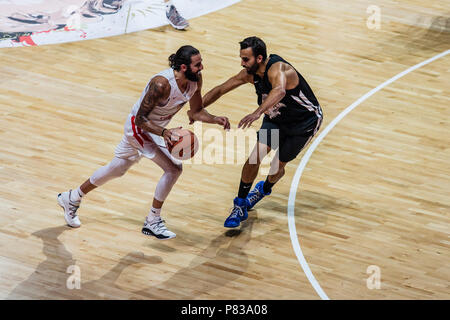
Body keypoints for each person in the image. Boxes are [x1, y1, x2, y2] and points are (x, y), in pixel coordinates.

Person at [58, 45, 230, 239]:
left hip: (156, 130)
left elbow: (196, 111)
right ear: (183, 67)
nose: (202, 68)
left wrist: (215, 119)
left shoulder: (195, 80)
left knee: (118, 168)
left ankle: (72, 197)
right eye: (197, 65)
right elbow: (141, 119)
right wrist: (164, 132)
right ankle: (152, 221)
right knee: (174, 169)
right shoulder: (161, 84)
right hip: (138, 128)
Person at [196, 36, 323, 228]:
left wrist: (257, 113)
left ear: (260, 58)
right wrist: (197, 108)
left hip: (303, 123)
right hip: (276, 119)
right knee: (255, 157)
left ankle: (263, 189)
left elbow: (279, 90)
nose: (242, 63)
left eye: (246, 59)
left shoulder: (279, 69)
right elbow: (221, 89)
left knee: (275, 167)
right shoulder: (249, 74)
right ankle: (239, 205)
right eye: (241, 58)